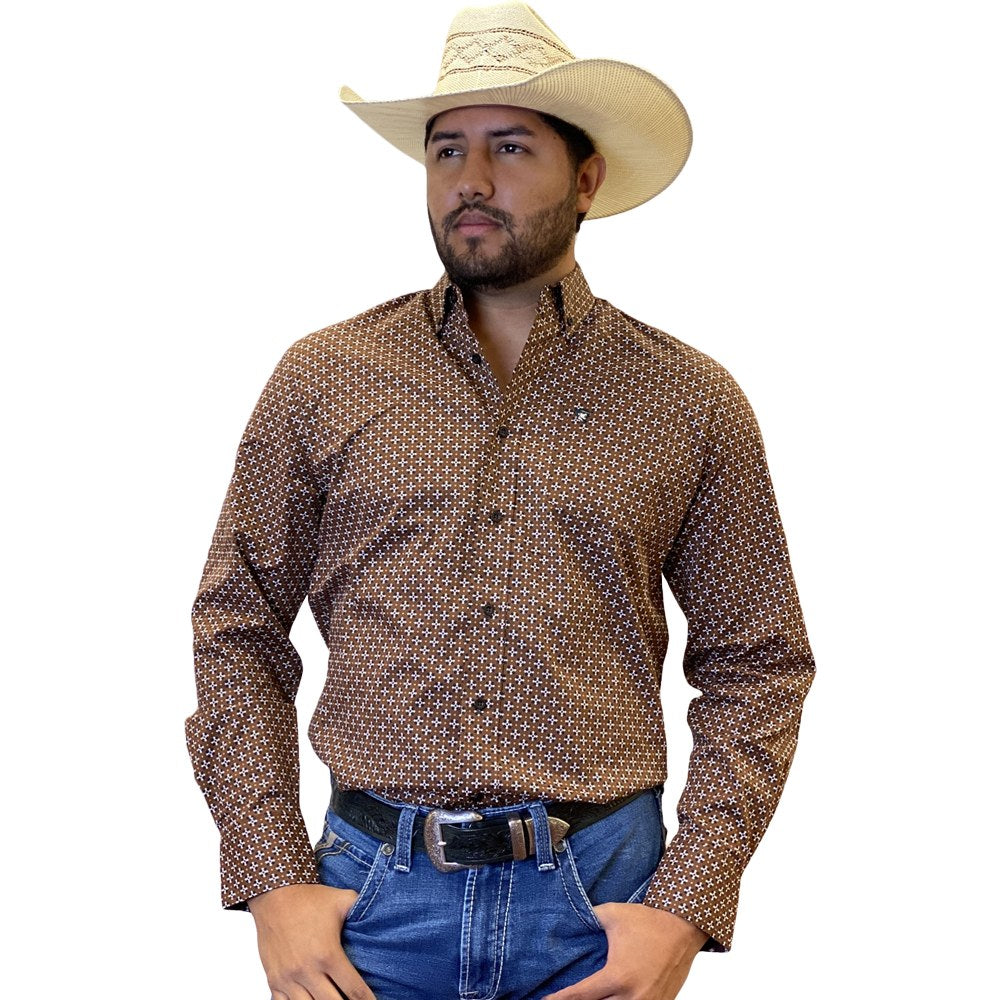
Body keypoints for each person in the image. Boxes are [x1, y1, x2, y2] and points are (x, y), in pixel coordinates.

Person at [186, 4, 815, 999]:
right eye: (447, 151)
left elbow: (759, 660)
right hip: (364, 907)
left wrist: (688, 903)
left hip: (602, 904)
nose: (470, 180)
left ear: (587, 177)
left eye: (510, 147)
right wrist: (269, 879)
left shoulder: (689, 399)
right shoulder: (324, 377)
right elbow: (237, 626)